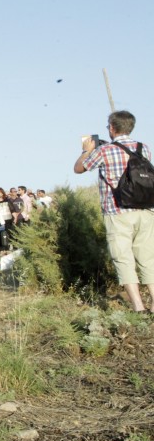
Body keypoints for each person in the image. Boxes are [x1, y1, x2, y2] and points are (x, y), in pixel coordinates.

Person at [75, 110, 154, 312]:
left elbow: (79, 168)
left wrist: (86, 150)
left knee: (123, 257)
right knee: (148, 257)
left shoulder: (105, 150)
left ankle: (138, 306)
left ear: (111, 127)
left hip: (117, 211)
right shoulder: (143, 148)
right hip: (145, 209)